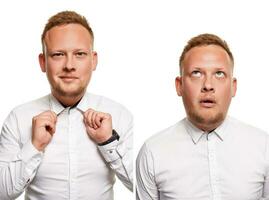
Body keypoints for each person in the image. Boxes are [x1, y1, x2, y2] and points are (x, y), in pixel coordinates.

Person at [0, 11, 133, 200]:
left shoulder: (120, 115)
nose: (69, 65)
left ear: (93, 60)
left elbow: (143, 186)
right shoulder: (18, 118)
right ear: (43, 62)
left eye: (79, 54)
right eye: (58, 54)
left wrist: (108, 142)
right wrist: (34, 146)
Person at [136, 33, 269, 199]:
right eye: (196, 73)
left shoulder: (264, 147)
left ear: (233, 87)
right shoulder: (153, 153)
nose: (208, 85)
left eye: (219, 74)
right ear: (179, 85)